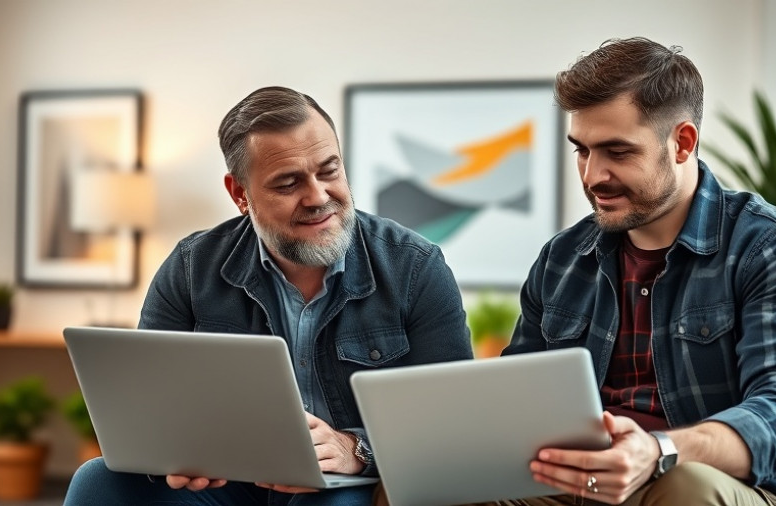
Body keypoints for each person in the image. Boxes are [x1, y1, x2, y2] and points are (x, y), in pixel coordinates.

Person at [63, 86, 473, 506]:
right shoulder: (190, 268)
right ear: (240, 193)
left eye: (329, 170)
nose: (317, 196)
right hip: (230, 483)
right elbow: (147, 413)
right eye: (288, 183)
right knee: (97, 481)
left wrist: (356, 449)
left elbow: (453, 425)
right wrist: (173, 454)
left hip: (347, 485)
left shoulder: (415, 267)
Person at [485, 36, 776, 506]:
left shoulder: (773, 246)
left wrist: (659, 451)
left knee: (685, 486)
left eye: (617, 151)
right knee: (424, 490)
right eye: (582, 150)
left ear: (682, 143)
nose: (592, 176)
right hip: (583, 485)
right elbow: (516, 403)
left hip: (724, 485)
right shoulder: (562, 258)